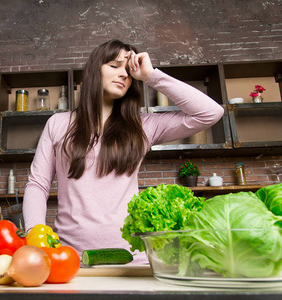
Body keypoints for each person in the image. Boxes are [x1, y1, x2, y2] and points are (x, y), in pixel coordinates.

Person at [22, 39, 224, 263]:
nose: (123, 74)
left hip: (133, 259)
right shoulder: (58, 123)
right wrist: (35, 235)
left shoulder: (143, 125)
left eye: (129, 70)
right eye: (114, 65)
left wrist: (151, 76)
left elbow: (210, 112)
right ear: (94, 70)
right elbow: (38, 185)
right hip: (70, 258)